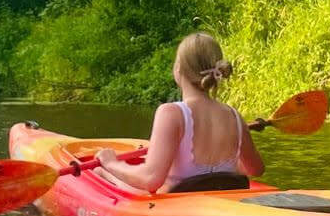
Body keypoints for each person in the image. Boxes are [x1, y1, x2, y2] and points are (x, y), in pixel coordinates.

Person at [95, 32, 266, 193]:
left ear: (178, 69)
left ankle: (103, 172)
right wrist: (221, 166)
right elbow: (255, 169)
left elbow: (151, 179)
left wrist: (111, 163)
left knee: (99, 173)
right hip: (222, 202)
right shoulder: (235, 116)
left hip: (177, 206)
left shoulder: (171, 113)